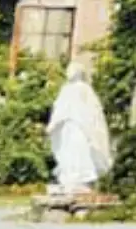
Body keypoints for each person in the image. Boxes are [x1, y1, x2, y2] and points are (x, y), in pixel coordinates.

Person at [46, 59, 116, 196]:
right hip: (68, 127)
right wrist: (53, 124)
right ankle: (69, 179)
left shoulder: (85, 89)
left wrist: (92, 128)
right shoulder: (66, 89)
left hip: (81, 128)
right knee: (69, 153)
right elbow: (60, 109)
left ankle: (80, 181)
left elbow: (94, 112)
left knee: (81, 152)